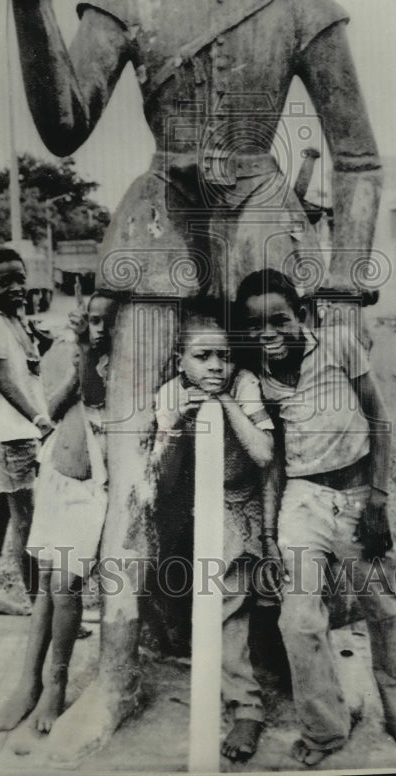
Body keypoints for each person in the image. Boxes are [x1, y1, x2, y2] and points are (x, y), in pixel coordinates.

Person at [0, 0, 383, 759]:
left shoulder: (297, 8)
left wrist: (349, 286)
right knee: (128, 465)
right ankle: (115, 677)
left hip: (264, 234)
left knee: (291, 464)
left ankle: (293, 671)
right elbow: (64, 126)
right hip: (157, 227)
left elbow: (358, 160)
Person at [234, 268, 396, 768]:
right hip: (303, 500)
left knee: (385, 613)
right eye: (255, 326)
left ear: (303, 317)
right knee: (297, 622)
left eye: (280, 320)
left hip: (358, 495)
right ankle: (324, 733)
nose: (269, 333)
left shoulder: (337, 345)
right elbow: (274, 459)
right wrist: (272, 533)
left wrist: (377, 502)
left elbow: (379, 419)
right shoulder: (260, 379)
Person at [152, 300, 275, 763]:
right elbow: (160, 480)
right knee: (188, 597)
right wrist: (179, 423)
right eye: (203, 357)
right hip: (186, 507)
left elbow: (263, 454)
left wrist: (224, 401)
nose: (216, 365)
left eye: (223, 355)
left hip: (236, 503)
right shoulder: (170, 394)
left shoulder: (242, 385)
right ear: (179, 361)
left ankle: (247, 706)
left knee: (226, 602)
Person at [0, 289, 118, 739]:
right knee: (46, 584)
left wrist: (85, 347)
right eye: (94, 321)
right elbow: (52, 408)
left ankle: (56, 683)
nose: (101, 330)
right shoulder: (74, 352)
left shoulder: (116, 362)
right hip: (57, 478)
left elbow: (97, 391)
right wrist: (74, 351)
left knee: (66, 586)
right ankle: (29, 682)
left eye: (108, 322)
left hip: (90, 489)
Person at [0, 247, 54, 615]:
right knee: (28, 523)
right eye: (5, 282)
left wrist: (40, 343)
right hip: (11, 436)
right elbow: (4, 381)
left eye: (21, 278)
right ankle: (41, 610)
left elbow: (26, 367)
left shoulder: (11, 318)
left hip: (14, 434)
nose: (17, 287)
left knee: (3, 513)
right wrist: (39, 420)